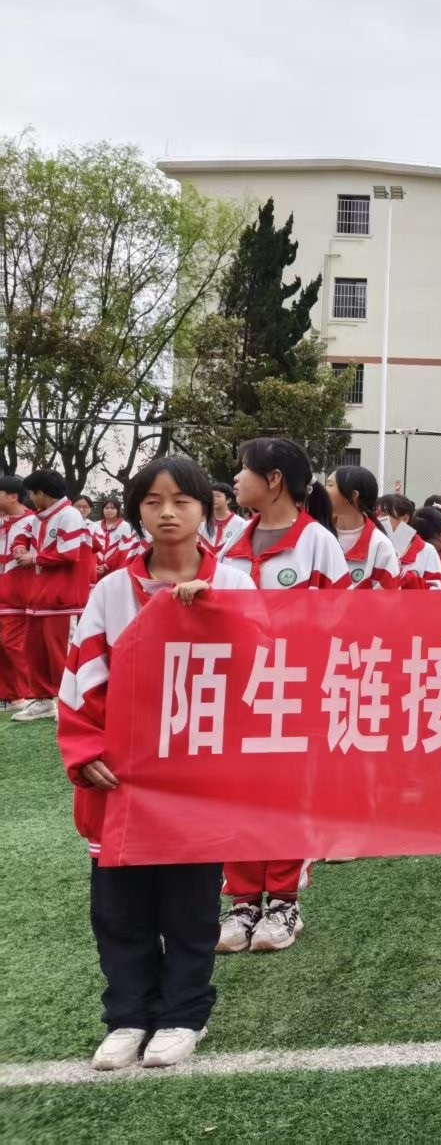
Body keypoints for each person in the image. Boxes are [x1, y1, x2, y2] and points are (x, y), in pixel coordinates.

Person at [58, 456, 253, 1071]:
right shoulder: (111, 591)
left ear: (205, 509)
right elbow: (81, 682)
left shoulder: (236, 586)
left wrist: (214, 613)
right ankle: (127, 1015)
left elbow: (267, 671)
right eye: (152, 501)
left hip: (200, 780)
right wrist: (85, 751)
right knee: (119, 909)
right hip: (123, 780)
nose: (167, 513)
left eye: (181, 501)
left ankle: (182, 1014)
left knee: (189, 908)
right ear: (137, 510)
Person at [217, 437, 350, 956]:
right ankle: (243, 900)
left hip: (293, 690)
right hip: (235, 690)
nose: (235, 479)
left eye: (243, 469)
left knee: (285, 794)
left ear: (273, 479)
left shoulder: (317, 542)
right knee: (236, 792)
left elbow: (343, 623)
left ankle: (283, 903)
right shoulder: (231, 541)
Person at [12, 471, 97, 722]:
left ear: (42, 493)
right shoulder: (40, 517)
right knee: (35, 651)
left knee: (62, 653)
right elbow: (22, 533)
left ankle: (70, 703)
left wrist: (33, 558)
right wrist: (20, 546)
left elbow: (69, 554)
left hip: (63, 599)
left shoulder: (69, 515)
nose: (30, 498)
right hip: (39, 597)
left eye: (31, 493)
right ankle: (43, 700)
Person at [327, 466, 401, 590]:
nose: (324, 490)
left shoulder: (380, 545)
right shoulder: (318, 536)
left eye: (330, 485)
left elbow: (388, 597)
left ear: (353, 495)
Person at [0, 475, 34, 717]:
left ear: (13, 496)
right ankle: (10, 695)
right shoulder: (3, 522)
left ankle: (24, 695)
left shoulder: (33, 523)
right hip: (3, 594)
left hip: (20, 595)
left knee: (14, 644)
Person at [380, 494, 441, 590]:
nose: (379, 518)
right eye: (377, 514)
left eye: (385, 514)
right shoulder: (376, 546)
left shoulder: (427, 550)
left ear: (404, 518)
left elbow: (436, 590)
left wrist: (404, 576)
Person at [206, 483, 245, 558]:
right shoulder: (202, 522)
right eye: (211, 496)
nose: (213, 499)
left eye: (218, 496)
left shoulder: (241, 524)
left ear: (228, 500)